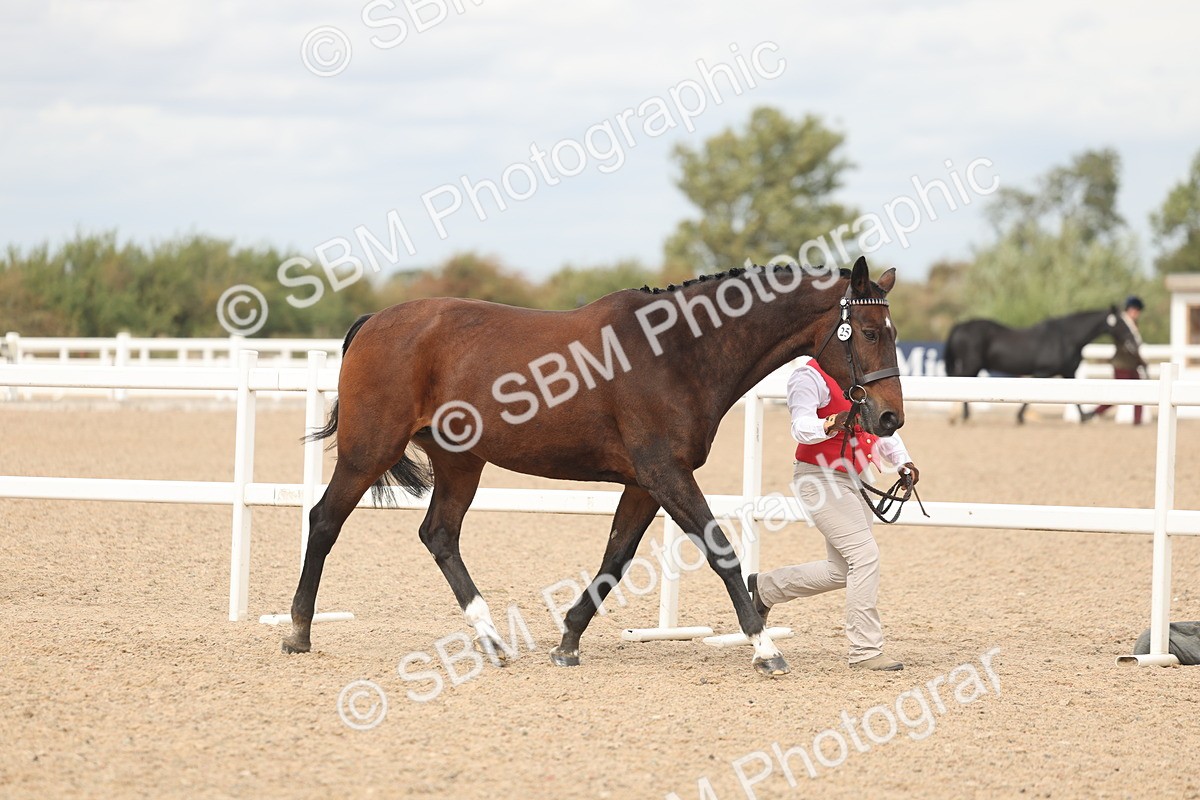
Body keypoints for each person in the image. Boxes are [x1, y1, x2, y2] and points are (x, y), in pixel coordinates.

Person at [747, 356, 919, 672]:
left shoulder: (863, 377)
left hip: (856, 475)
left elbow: (884, 428)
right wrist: (830, 423)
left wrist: (902, 462)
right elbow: (800, 426)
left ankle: (765, 588)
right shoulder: (808, 376)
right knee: (864, 557)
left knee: (842, 570)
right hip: (819, 477)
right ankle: (865, 650)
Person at [1083, 296, 1147, 425]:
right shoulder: (1122, 323)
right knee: (1118, 394)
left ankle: (1137, 421)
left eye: (1137, 310)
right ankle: (1094, 413)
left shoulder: (1133, 324)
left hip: (1132, 364)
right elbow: (1127, 344)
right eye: (1134, 310)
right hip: (1122, 364)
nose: (1136, 313)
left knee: (1140, 392)